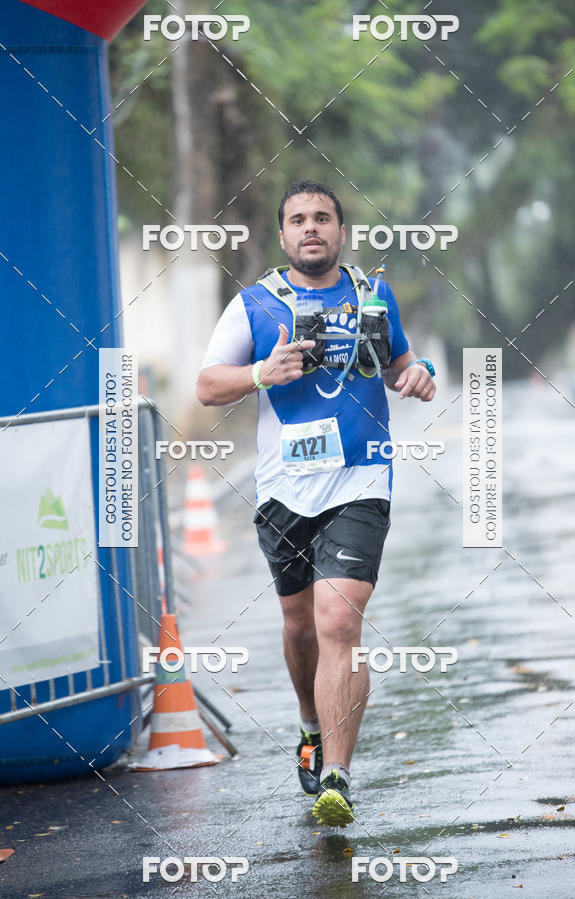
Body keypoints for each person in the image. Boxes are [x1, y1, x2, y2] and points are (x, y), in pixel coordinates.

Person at [196, 180, 435, 827]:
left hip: (361, 478)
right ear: (283, 235)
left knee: (338, 621)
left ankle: (337, 774)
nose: (311, 227)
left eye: (323, 217)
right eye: (298, 218)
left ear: (341, 231)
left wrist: (418, 374)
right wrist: (259, 373)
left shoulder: (372, 294)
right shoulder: (254, 304)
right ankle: (310, 723)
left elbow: (401, 363)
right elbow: (207, 386)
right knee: (300, 626)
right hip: (284, 488)